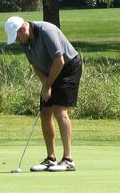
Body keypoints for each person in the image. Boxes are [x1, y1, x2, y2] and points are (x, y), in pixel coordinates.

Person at [5, 15, 83, 172]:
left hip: (68, 67)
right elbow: (35, 65)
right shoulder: (25, 42)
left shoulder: (47, 31)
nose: (16, 41)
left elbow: (59, 61)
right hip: (50, 72)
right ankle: (51, 159)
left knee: (59, 109)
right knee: (45, 112)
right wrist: (45, 85)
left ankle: (68, 160)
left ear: (23, 29)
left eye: (16, 37)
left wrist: (48, 86)